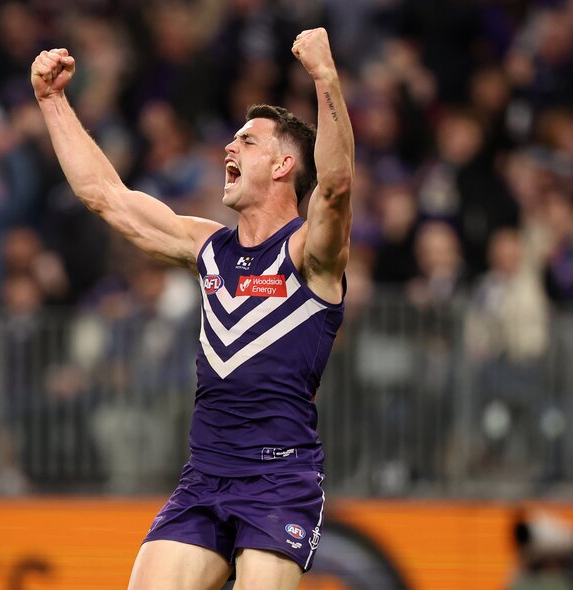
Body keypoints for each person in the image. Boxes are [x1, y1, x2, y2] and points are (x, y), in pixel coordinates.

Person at [31, 27, 354, 590]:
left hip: (279, 477)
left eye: (247, 142)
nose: (229, 148)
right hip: (205, 476)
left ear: (282, 166)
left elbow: (335, 186)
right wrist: (52, 102)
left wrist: (326, 78)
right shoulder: (208, 247)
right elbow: (106, 197)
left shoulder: (308, 254)